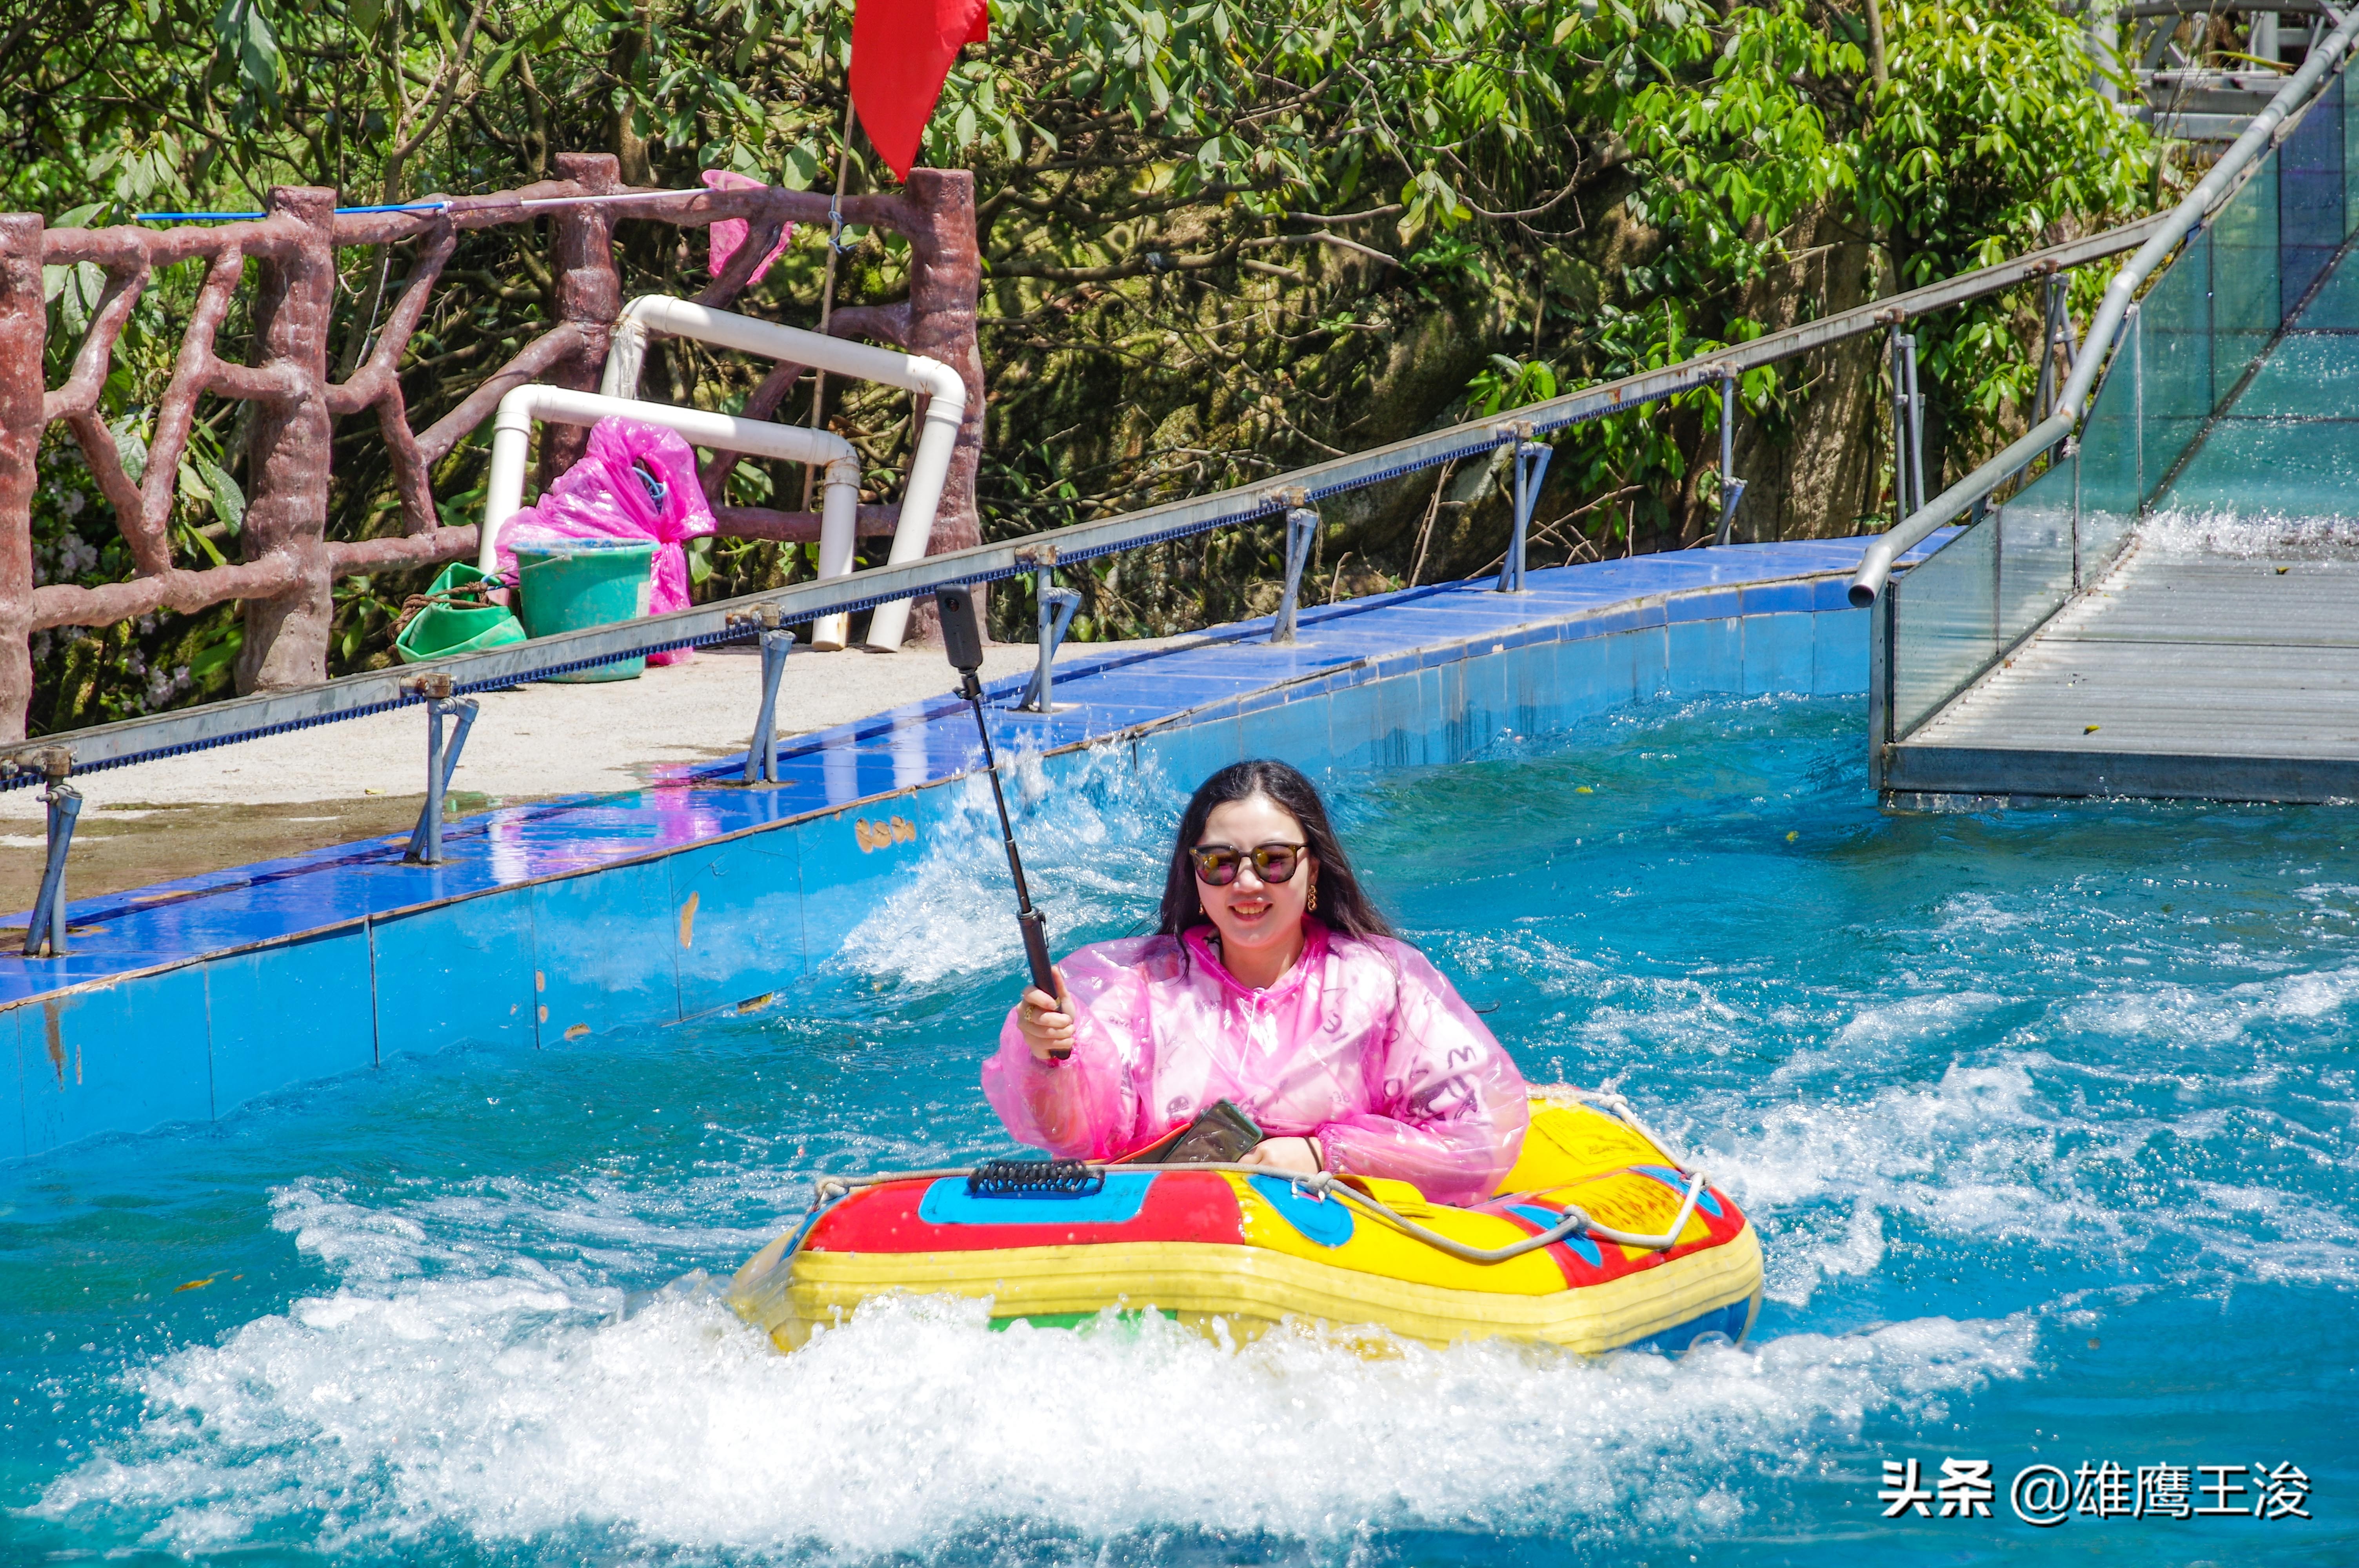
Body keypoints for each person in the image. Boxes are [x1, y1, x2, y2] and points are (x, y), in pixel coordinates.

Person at [980, 759, 1529, 1207]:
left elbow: (1478, 1143)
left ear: (1314, 869)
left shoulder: (1383, 984)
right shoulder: (1137, 990)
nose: (1245, 882)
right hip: (1176, 1237)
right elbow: (1077, 1136)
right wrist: (1053, 1056)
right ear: (1195, 875)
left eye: (1273, 860)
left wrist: (1324, 1156)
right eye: (1219, 862)